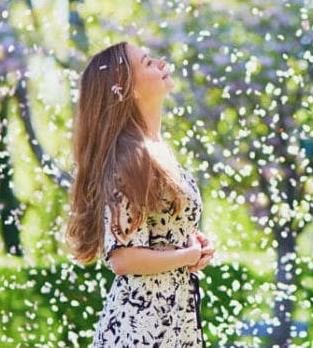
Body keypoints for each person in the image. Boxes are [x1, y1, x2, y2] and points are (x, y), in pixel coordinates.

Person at [65, 41, 215, 347]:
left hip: (171, 320)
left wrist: (194, 244)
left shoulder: (157, 149)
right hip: (141, 328)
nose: (161, 63)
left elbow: (159, 233)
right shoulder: (130, 158)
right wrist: (186, 256)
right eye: (147, 63)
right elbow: (123, 257)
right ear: (129, 90)